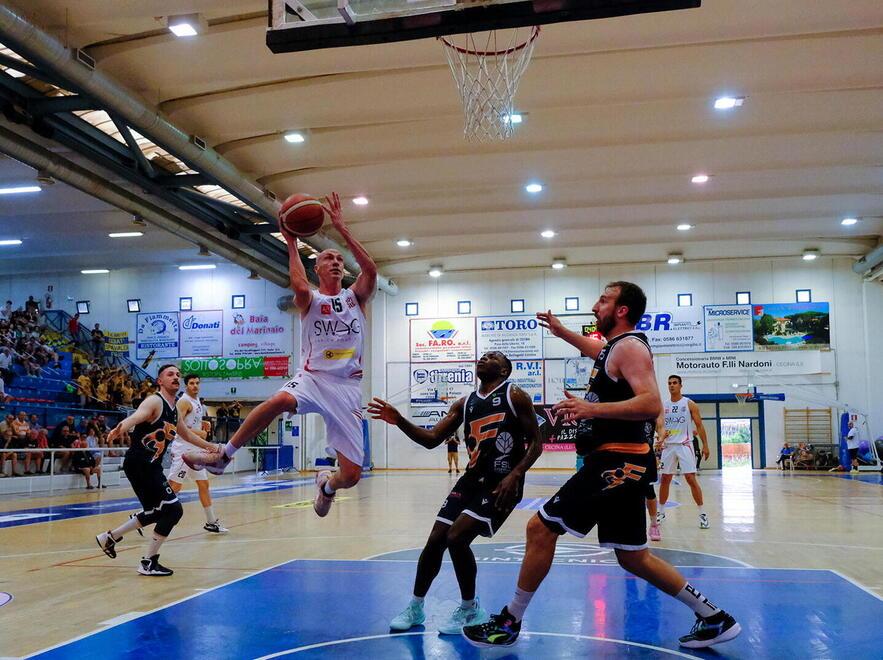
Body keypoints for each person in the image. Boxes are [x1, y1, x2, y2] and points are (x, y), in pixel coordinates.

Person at [463, 282, 740, 650]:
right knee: (633, 557)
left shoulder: (629, 347)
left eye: (604, 300)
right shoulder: (616, 348)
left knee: (540, 529)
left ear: (622, 310)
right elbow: (597, 349)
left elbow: (650, 403)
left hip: (616, 462)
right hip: (625, 462)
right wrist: (561, 332)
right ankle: (714, 616)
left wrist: (590, 408)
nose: (595, 306)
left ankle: (510, 620)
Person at [185, 193, 378, 517]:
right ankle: (224, 455)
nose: (335, 262)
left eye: (339, 259)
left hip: (347, 387)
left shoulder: (355, 298)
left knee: (351, 476)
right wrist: (290, 241)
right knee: (278, 401)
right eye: (328, 258)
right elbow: (299, 287)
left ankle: (327, 486)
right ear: (316, 268)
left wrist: (342, 229)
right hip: (314, 378)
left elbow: (370, 271)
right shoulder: (310, 299)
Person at [369, 351, 542, 635]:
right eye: (483, 356)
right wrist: (399, 419)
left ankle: (470, 608)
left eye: (492, 357)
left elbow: (536, 442)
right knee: (436, 540)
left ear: (504, 370)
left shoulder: (515, 395)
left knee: (457, 537)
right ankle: (416, 606)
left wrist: (516, 474)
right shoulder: (464, 403)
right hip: (470, 480)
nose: (484, 358)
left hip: (501, 483)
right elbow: (431, 439)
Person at [95, 365, 222, 576]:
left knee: (158, 512)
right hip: (140, 464)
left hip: (150, 466)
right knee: (174, 510)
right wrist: (122, 426)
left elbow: (187, 435)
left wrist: (213, 447)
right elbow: (137, 416)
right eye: (170, 374)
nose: (176, 377)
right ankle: (148, 562)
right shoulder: (155, 401)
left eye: (178, 375)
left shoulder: (174, 410)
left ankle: (110, 537)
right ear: (160, 381)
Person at [167, 374, 228, 534]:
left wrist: (203, 424)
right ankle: (143, 515)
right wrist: (200, 433)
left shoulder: (196, 402)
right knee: (174, 487)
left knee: (204, 484)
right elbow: (176, 426)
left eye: (197, 383)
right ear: (186, 385)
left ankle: (211, 522)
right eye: (191, 383)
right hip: (183, 450)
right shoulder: (184, 402)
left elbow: (190, 423)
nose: (195, 385)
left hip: (195, 450)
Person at [656, 375, 710, 530]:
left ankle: (702, 514)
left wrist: (705, 445)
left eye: (674, 383)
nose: (672, 385)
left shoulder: (689, 404)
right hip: (668, 446)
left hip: (685, 445)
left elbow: (699, 426)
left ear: (680, 385)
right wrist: (661, 437)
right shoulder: (664, 406)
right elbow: (659, 427)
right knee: (665, 479)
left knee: (690, 479)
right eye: (669, 383)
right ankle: (661, 512)